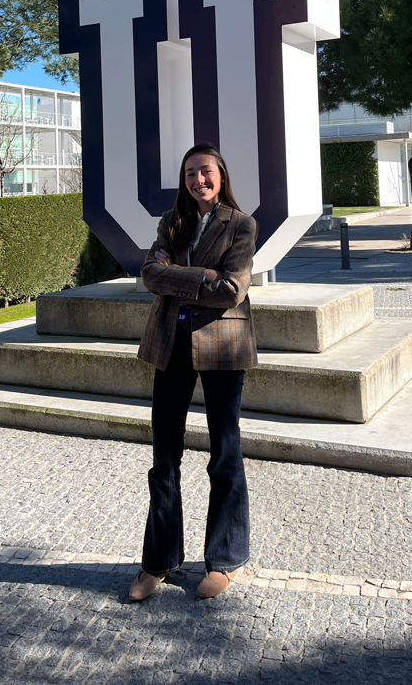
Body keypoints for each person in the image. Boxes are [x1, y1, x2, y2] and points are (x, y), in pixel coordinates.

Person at [129, 142, 257, 602]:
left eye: (205, 172)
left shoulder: (241, 224)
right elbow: (149, 275)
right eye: (189, 174)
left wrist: (184, 277)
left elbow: (230, 291)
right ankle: (158, 561)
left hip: (223, 347)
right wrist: (201, 275)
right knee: (164, 457)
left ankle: (225, 559)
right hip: (171, 344)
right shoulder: (171, 222)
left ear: (221, 175)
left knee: (224, 454)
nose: (198, 181)